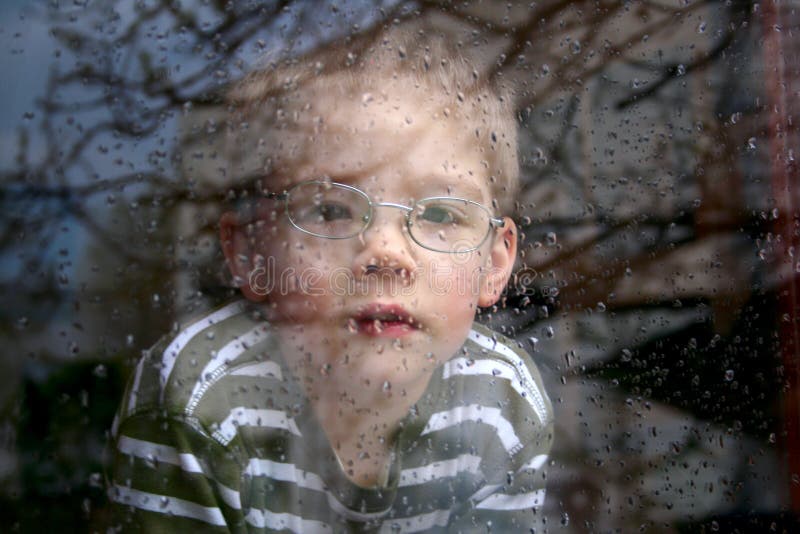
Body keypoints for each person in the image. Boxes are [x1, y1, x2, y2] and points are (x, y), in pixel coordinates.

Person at [106, 28, 553, 533]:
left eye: (441, 215)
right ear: (252, 251)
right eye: (330, 209)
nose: (386, 253)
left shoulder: (501, 401)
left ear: (494, 264)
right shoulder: (199, 402)